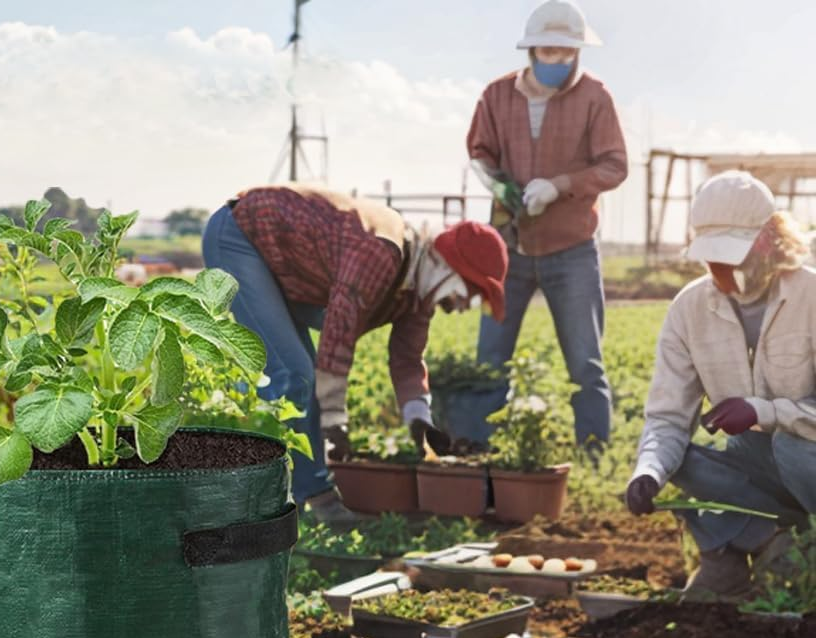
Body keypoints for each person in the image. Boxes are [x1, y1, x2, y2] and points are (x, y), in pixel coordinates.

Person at [202, 184, 508, 527]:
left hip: (286, 267)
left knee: (301, 378)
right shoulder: (381, 251)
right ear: (450, 267)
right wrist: (335, 422)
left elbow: (407, 361)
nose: (466, 305)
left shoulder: (418, 293)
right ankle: (270, 497)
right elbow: (338, 334)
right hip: (240, 238)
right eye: (473, 291)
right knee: (293, 376)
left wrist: (420, 420)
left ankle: (311, 497)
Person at [626, 170, 816, 600]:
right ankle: (751, 551)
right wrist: (649, 472)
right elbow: (668, 416)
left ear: (768, 239)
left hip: (808, 457)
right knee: (680, 461)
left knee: (788, 445)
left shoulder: (811, 295)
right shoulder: (689, 309)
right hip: (758, 463)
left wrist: (764, 411)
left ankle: (805, 549)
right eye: (711, 257)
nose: (720, 269)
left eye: (732, 256)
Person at [464, 0, 627, 452]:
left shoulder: (595, 97)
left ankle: (594, 451)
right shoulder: (496, 96)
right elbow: (479, 152)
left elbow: (615, 165)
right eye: (549, 52)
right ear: (532, 51)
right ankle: (481, 450)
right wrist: (502, 190)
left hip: (571, 249)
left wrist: (561, 185)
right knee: (490, 358)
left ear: (577, 52)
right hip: (507, 249)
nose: (558, 61)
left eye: (566, 53)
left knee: (585, 363)